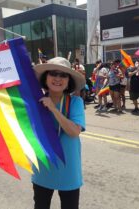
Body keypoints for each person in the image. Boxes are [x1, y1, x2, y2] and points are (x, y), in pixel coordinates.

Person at [32, 57, 86, 209]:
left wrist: (54, 109)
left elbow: (75, 132)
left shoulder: (75, 102)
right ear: (46, 77)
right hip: (43, 168)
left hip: (68, 170)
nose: (57, 78)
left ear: (69, 81)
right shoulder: (35, 102)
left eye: (63, 75)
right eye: (53, 73)